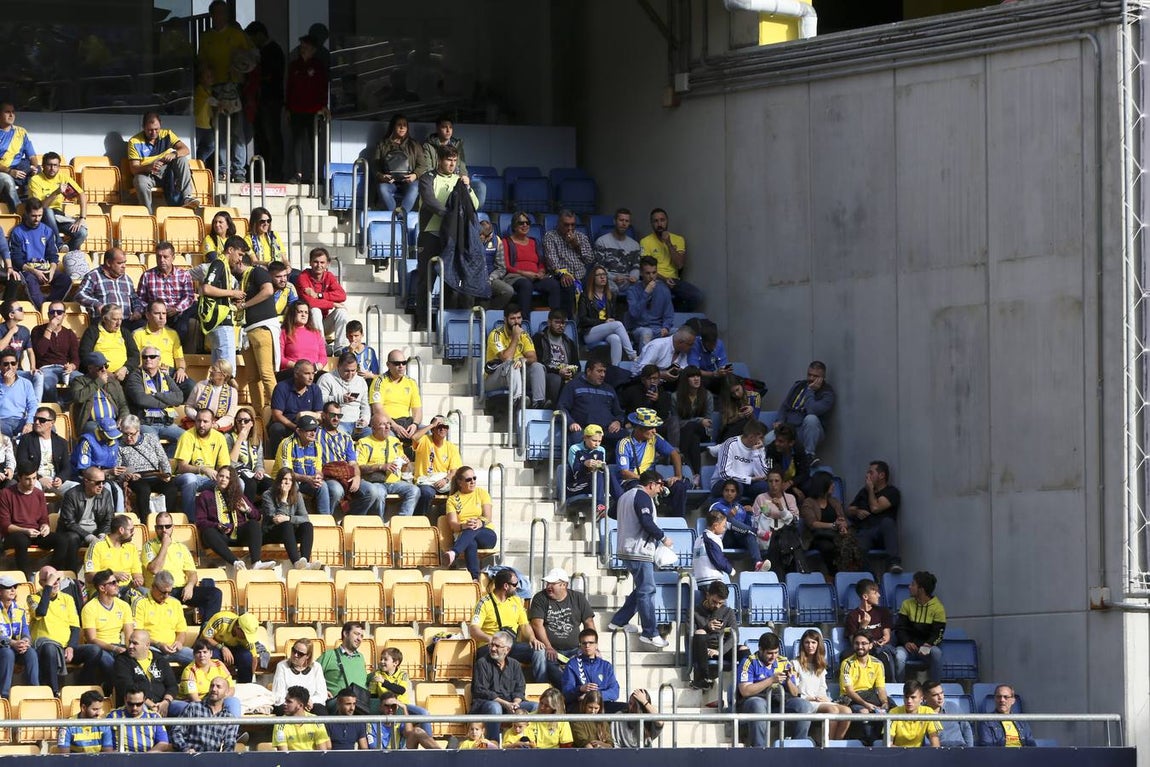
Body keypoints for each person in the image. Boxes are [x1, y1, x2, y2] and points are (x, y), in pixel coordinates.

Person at [607, 469, 672, 647]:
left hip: (626, 548)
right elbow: (646, 521)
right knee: (647, 591)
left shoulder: (625, 496)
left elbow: (612, 513)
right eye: (660, 485)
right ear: (651, 484)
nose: (660, 490)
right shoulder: (643, 497)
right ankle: (650, 632)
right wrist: (663, 537)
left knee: (642, 588)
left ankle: (618, 621)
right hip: (638, 550)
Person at [197, 0, 255, 184]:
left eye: (223, 13)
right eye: (216, 13)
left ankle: (239, 171)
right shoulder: (206, 37)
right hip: (214, 88)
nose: (219, 16)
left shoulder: (238, 35)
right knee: (220, 131)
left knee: (237, 130)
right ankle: (223, 170)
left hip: (234, 87)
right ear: (212, 15)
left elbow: (253, 57)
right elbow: (201, 62)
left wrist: (242, 67)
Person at [469, 568, 547, 682]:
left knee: (539, 650)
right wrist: (490, 639)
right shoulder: (484, 603)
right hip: (490, 646)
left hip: (511, 645)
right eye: (515, 584)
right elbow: (474, 630)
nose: (517, 587)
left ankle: (541, 688)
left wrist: (532, 638)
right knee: (499, 652)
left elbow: (524, 625)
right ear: (506, 586)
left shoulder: (516, 600)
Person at [143, 511, 222, 621]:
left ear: (173, 527)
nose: (164, 530)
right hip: (161, 591)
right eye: (160, 527)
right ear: (156, 528)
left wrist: (190, 585)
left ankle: (206, 632)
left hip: (181, 589)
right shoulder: (148, 546)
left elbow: (192, 573)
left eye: (167, 526)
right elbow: (155, 569)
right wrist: (165, 546)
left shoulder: (181, 547)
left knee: (215, 594)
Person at [228, 241, 278, 414]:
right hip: (247, 332)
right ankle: (258, 414)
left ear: (241, 261)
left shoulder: (257, 272)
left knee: (266, 374)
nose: (231, 265)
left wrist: (245, 305)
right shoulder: (240, 281)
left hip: (262, 328)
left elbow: (268, 290)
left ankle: (278, 412)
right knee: (252, 377)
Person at [1, 462, 76, 576]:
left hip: (35, 532)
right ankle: (27, 578)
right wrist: (25, 530)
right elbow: (6, 525)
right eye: (27, 479)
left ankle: (50, 574)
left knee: (62, 540)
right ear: (19, 478)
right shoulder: (6, 494)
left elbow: (43, 519)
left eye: (34, 478)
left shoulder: (39, 494)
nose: (32, 482)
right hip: (16, 534)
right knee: (22, 540)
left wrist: (45, 526)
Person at [29, 565, 92, 696]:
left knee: (95, 651)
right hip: (45, 647)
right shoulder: (32, 598)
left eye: (57, 579)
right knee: (50, 648)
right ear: (41, 583)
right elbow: (41, 611)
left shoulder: (67, 598)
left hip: (65, 647)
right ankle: (54, 692)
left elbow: (75, 626)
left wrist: (71, 647)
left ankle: (83, 689)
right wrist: (48, 587)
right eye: (50, 580)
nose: (55, 582)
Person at [196, 465, 273, 571]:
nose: (223, 479)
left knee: (253, 524)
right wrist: (216, 525)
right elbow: (200, 521)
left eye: (227, 477)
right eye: (221, 476)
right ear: (216, 477)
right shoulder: (205, 495)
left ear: (232, 480)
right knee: (208, 533)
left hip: (238, 534)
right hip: (220, 536)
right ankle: (235, 562)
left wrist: (247, 510)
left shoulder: (238, 496)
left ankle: (256, 563)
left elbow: (257, 516)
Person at [529, 568, 596, 688]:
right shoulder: (540, 598)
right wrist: (548, 647)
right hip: (551, 649)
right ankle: (570, 691)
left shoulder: (578, 598)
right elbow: (536, 624)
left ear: (564, 585)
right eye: (547, 583)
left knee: (594, 662)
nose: (548, 586)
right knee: (549, 663)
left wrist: (593, 645)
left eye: (552, 584)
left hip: (576, 648)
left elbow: (589, 622)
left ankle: (589, 695)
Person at [616, 408, 688, 516]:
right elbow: (624, 472)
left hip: (653, 481)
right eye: (650, 428)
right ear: (639, 428)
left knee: (679, 486)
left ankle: (677, 520)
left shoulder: (655, 439)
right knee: (639, 490)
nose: (654, 431)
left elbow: (675, 454)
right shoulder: (624, 444)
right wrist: (648, 480)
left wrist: (678, 476)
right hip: (634, 481)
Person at [784, 628, 853, 741]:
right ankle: (827, 743)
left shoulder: (820, 665)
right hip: (805, 701)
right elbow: (794, 691)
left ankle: (837, 742)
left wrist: (823, 697)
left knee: (847, 711)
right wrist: (810, 697)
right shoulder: (795, 664)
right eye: (807, 642)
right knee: (833, 711)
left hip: (819, 701)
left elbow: (822, 687)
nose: (810, 646)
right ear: (802, 645)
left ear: (818, 644)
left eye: (813, 642)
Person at [470, 629, 537, 740]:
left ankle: (531, 741)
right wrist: (505, 704)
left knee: (535, 707)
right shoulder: (482, 663)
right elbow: (480, 690)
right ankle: (494, 743)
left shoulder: (514, 664)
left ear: (507, 650)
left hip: (510, 704)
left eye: (497, 646)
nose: (493, 648)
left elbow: (520, 688)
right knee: (495, 708)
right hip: (487, 704)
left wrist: (515, 703)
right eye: (491, 645)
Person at [316, 401, 379, 516]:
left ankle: (350, 520)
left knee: (372, 491)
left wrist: (357, 476)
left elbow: (353, 463)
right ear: (324, 415)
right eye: (332, 415)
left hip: (346, 475)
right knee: (336, 490)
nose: (336, 418)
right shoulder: (315, 434)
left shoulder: (346, 437)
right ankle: (328, 522)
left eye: (339, 416)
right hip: (328, 475)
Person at [126, 112, 196, 213]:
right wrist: (149, 167)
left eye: (156, 129)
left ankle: (187, 197)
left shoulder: (167, 134)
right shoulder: (134, 141)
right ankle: (147, 214)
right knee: (139, 180)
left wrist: (174, 154)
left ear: (160, 125)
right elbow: (134, 168)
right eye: (150, 130)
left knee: (182, 159)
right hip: (149, 175)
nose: (154, 133)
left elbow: (185, 150)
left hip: (168, 173)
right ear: (143, 127)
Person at [556, 357, 626, 454]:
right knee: (577, 437)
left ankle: (617, 468)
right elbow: (562, 407)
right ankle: (581, 468)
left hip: (606, 430)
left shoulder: (609, 389)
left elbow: (619, 412)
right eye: (599, 371)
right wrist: (571, 423)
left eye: (604, 372)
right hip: (583, 430)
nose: (603, 375)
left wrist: (618, 421)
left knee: (625, 439)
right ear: (589, 371)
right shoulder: (573, 385)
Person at [356, 412, 420, 517]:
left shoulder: (395, 441)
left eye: (388, 424)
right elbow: (359, 468)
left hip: (395, 482)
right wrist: (381, 466)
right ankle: (378, 525)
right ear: (373, 428)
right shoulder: (364, 442)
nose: (387, 427)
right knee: (379, 494)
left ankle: (401, 523)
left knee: (414, 490)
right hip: (375, 482)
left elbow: (403, 470)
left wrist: (405, 464)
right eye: (382, 424)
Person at [9, 199, 71, 306]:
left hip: (45, 269)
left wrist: (52, 270)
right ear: (26, 214)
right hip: (28, 270)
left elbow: (52, 254)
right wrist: (34, 271)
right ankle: (42, 308)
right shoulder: (18, 232)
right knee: (30, 282)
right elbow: (16, 259)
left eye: (40, 215)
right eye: (34, 216)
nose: (37, 219)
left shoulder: (47, 230)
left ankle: (50, 306)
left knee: (65, 280)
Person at [285, 34, 329, 186]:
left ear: (313, 50)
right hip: (296, 109)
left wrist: (323, 106)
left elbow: (323, 88)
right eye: (301, 47)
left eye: (306, 48)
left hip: (314, 111)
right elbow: (289, 88)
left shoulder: (318, 66)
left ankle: (314, 174)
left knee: (313, 142)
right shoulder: (294, 66)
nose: (302, 50)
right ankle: (298, 173)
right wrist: (287, 108)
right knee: (296, 142)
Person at [639, 208, 703, 311]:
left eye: (662, 220)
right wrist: (664, 279)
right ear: (651, 224)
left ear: (667, 221)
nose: (659, 224)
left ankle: (676, 317)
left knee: (697, 296)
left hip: (674, 281)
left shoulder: (678, 239)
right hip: (655, 279)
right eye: (656, 221)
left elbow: (679, 265)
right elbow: (646, 268)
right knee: (663, 294)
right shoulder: (645, 241)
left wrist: (668, 243)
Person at [136, 245, 197, 351]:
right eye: (158, 257)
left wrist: (177, 308)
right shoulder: (147, 275)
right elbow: (140, 299)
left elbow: (189, 296)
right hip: (155, 315)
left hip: (177, 314)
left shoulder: (183, 275)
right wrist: (153, 310)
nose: (161, 260)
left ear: (173, 257)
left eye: (165, 257)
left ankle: (177, 354)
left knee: (184, 327)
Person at [245, 21, 286, 181]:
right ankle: (262, 171)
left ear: (260, 35)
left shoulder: (273, 50)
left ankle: (275, 172)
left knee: (272, 136)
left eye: (253, 38)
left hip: (271, 100)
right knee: (261, 136)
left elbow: (271, 75)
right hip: (260, 100)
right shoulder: (261, 50)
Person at [416, 115, 486, 207]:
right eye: (444, 127)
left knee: (480, 186)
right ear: (437, 129)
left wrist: (464, 178)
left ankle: (471, 212)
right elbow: (427, 168)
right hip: (439, 178)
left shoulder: (457, 145)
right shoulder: (428, 145)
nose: (448, 130)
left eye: (450, 128)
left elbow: (462, 167)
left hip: (456, 179)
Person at [485, 303, 547, 408]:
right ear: (505, 320)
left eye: (519, 318)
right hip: (495, 377)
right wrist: (515, 337)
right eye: (512, 318)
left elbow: (533, 357)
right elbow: (506, 358)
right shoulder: (495, 334)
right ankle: (517, 399)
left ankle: (539, 402)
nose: (516, 321)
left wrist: (523, 360)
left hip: (517, 374)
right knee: (511, 363)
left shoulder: (524, 335)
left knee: (537, 366)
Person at [198, 236, 246, 370]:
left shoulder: (224, 266)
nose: (240, 259)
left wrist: (232, 299)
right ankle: (230, 390)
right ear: (230, 250)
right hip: (221, 321)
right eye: (240, 254)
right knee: (227, 369)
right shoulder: (218, 263)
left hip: (220, 320)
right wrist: (232, 293)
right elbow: (206, 288)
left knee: (218, 369)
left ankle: (219, 390)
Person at [125, 344, 186, 448]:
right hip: (145, 424)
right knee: (154, 443)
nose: (148, 359)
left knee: (186, 438)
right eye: (145, 357)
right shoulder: (135, 376)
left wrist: (156, 395)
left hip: (166, 423)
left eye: (152, 356)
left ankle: (169, 461)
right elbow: (141, 399)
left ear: (159, 359)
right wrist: (167, 401)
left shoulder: (165, 376)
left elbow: (179, 397)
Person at [78, 568, 134, 683]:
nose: (117, 585)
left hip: (119, 646)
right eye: (113, 583)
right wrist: (114, 648)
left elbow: (129, 635)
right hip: (101, 648)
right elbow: (92, 639)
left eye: (117, 582)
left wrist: (130, 650)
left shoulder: (124, 606)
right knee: (112, 665)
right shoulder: (89, 608)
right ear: (102, 588)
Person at [261, 468, 323, 569]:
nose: (287, 482)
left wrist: (289, 518)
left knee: (307, 526)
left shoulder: (297, 495)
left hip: (290, 532)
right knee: (286, 525)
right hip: (271, 533)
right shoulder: (267, 495)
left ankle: (305, 562)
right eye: (284, 479)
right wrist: (284, 499)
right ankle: (296, 562)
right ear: (279, 480)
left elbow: (305, 518)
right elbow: (276, 519)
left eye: (290, 480)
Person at [131, 299, 192, 401]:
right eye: (157, 313)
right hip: (148, 372)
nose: (161, 317)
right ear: (148, 315)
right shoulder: (138, 334)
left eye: (164, 313)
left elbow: (179, 359)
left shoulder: (172, 334)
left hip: (170, 373)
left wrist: (181, 369)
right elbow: (136, 361)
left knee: (191, 387)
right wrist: (154, 369)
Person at [848, 460, 902, 573]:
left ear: (882, 475)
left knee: (888, 522)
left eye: (871, 473)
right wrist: (857, 511)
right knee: (858, 547)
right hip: (865, 532)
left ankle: (894, 563)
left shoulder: (891, 492)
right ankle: (870, 579)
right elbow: (849, 509)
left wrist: (871, 490)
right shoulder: (863, 492)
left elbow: (875, 508)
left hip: (881, 533)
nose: (867, 476)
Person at [577, 264, 637, 366]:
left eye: (604, 274)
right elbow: (583, 319)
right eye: (599, 275)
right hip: (589, 333)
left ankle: (615, 368)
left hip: (606, 331)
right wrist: (603, 322)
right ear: (593, 279)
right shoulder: (585, 296)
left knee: (616, 339)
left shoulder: (610, 296)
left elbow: (612, 316)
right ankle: (632, 355)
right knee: (617, 324)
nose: (602, 277)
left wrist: (608, 323)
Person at [771, 361, 835, 458]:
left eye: (815, 376)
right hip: (788, 427)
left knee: (811, 418)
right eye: (809, 375)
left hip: (806, 430)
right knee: (766, 441)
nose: (811, 378)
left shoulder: (827, 394)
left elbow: (811, 410)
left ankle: (809, 456)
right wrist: (779, 421)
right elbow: (785, 406)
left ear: (823, 377)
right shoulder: (799, 385)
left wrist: (810, 391)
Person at [500, 211, 561, 313]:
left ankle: (554, 319)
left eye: (527, 223)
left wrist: (541, 272)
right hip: (515, 277)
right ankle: (525, 321)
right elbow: (507, 266)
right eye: (521, 223)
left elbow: (541, 262)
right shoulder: (506, 242)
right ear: (514, 226)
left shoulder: (534, 241)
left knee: (553, 284)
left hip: (535, 277)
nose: (525, 225)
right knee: (526, 284)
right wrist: (525, 274)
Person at [443, 467, 497, 579]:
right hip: (465, 534)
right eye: (468, 479)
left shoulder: (482, 493)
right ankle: (475, 579)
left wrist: (480, 522)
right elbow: (453, 524)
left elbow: (488, 517)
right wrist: (464, 525)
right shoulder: (452, 499)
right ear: (459, 482)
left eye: (474, 478)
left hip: (486, 534)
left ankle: (454, 552)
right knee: (470, 541)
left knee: (473, 528)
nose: (472, 481)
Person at [57, 467, 117, 568]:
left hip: (97, 533)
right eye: (98, 483)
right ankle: (72, 574)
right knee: (72, 538)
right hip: (75, 534)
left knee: (118, 535)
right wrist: (89, 537)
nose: (101, 486)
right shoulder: (71, 495)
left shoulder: (105, 494)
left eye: (103, 482)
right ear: (86, 481)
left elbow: (109, 519)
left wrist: (102, 535)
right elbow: (69, 522)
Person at [174, 408, 232, 513]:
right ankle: (190, 520)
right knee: (190, 479)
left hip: (212, 478)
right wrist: (203, 469)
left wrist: (220, 476)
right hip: (189, 476)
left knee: (238, 483)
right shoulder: (187, 436)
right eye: (198, 421)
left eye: (205, 421)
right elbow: (182, 467)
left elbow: (224, 466)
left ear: (213, 423)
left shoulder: (219, 437)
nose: (201, 425)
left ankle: (230, 519)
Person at [736, 631, 788, 748]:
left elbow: (796, 692)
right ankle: (760, 749)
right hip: (752, 702)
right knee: (758, 704)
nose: (773, 657)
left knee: (802, 705)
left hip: (777, 702)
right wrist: (770, 680)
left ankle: (798, 746)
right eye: (770, 653)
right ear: (760, 649)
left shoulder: (783, 661)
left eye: (776, 652)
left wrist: (789, 680)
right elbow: (745, 691)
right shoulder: (749, 662)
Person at [894, 570, 946, 682]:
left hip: (926, 648)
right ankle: (899, 688)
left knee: (937, 653)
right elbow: (900, 628)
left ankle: (934, 687)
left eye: (913, 584)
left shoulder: (938, 608)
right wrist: (906, 642)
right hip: (907, 647)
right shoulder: (906, 604)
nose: (909, 587)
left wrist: (928, 645)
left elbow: (938, 634)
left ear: (921, 589)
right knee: (899, 656)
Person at [839, 632, 890, 745]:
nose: (860, 646)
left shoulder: (878, 664)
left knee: (892, 708)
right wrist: (866, 704)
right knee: (864, 711)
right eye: (857, 643)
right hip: (850, 699)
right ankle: (871, 743)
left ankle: (889, 741)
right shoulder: (847, 664)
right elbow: (849, 691)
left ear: (870, 645)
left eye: (864, 643)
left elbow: (881, 688)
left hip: (870, 696)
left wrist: (884, 702)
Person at [274, 414, 331, 515]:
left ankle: (325, 520)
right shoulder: (287, 444)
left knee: (322, 485)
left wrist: (317, 477)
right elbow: (287, 474)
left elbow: (318, 470)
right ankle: (291, 518)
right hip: (283, 481)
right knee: (292, 484)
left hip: (305, 482)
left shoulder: (317, 445)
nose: (313, 433)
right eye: (309, 430)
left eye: (315, 430)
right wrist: (308, 479)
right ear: (299, 431)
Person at [133, 570, 193, 666]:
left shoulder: (175, 603)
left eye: (169, 592)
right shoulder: (140, 603)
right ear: (153, 587)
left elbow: (181, 631)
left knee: (200, 658)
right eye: (163, 592)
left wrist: (178, 642)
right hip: (151, 648)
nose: (166, 596)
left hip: (172, 649)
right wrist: (159, 644)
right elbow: (137, 634)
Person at [541, 210, 594, 318]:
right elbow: (552, 262)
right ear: (559, 224)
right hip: (562, 275)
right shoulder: (550, 236)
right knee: (567, 285)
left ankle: (589, 323)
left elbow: (590, 259)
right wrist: (562, 274)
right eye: (566, 225)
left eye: (573, 225)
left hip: (581, 275)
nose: (570, 228)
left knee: (596, 283)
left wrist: (576, 246)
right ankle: (569, 322)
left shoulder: (581, 237)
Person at [113, 630, 179, 716]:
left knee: (186, 708)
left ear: (147, 645)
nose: (130, 646)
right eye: (129, 642)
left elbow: (172, 685)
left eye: (135, 643)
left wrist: (166, 702)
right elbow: (126, 687)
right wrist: (152, 705)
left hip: (163, 703)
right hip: (138, 705)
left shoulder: (160, 660)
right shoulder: (122, 661)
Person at [170, 675, 241, 753]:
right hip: (189, 757)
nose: (214, 689)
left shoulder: (228, 718)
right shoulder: (194, 707)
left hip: (211, 760)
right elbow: (176, 731)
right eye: (212, 686)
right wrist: (185, 749)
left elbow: (229, 744)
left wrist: (223, 760)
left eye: (218, 687)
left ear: (226, 692)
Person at [844, 578, 897, 682]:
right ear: (865, 596)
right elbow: (853, 642)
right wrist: (863, 627)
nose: (879, 595)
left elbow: (887, 635)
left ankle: (891, 686)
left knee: (884, 654)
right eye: (875, 593)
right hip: (862, 648)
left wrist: (883, 640)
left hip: (880, 648)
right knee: (846, 656)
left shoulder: (882, 612)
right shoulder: (853, 616)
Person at [76, 248, 145, 325]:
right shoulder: (93, 276)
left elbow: (135, 299)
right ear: (108, 262)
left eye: (124, 263)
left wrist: (137, 311)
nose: (124, 266)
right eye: (119, 263)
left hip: (125, 322)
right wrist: (97, 304)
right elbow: (80, 295)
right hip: (103, 322)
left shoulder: (127, 279)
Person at [800, 471, 851, 574]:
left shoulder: (834, 501)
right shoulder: (808, 502)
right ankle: (834, 575)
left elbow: (842, 519)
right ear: (822, 485)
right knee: (827, 546)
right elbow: (812, 523)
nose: (833, 486)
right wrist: (832, 525)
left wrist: (843, 527)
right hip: (816, 537)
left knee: (848, 544)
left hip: (834, 535)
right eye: (831, 483)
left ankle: (849, 573)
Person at [298, 246, 348, 351]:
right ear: (310, 262)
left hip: (323, 324)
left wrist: (320, 295)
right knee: (315, 310)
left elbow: (342, 295)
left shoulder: (329, 276)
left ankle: (340, 347)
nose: (319, 265)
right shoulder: (303, 277)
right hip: (308, 324)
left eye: (322, 262)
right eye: (316, 262)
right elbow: (310, 303)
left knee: (342, 311)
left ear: (327, 264)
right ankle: (322, 346)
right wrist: (332, 304)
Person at [690, 581, 737, 690]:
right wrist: (707, 628)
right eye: (714, 602)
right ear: (707, 595)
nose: (717, 606)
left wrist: (720, 650)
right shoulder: (695, 611)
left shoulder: (728, 612)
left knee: (744, 649)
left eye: (721, 603)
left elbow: (735, 634)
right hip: (703, 648)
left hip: (722, 649)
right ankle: (703, 679)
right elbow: (690, 634)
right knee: (700, 632)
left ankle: (744, 685)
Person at [410, 415, 461, 516]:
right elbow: (414, 437)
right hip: (425, 481)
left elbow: (454, 471)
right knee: (426, 493)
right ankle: (419, 520)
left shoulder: (451, 447)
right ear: (433, 429)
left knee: (460, 491)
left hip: (443, 482)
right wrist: (432, 424)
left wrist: (445, 480)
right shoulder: (425, 440)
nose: (442, 429)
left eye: (445, 426)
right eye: (439, 426)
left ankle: (454, 522)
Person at [268, 360, 324, 453]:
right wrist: (295, 427)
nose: (311, 377)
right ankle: (276, 460)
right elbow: (276, 415)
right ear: (296, 374)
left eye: (312, 374)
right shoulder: (282, 387)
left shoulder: (315, 389)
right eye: (307, 374)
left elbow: (319, 414)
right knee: (276, 428)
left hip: (307, 425)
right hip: (287, 424)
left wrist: (307, 428)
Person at [560, 628, 622, 712]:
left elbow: (614, 692)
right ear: (580, 645)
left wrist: (595, 696)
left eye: (591, 643)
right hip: (580, 705)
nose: (587, 646)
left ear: (596, 645)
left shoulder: (606, 666)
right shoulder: (572, 664)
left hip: (602, 704)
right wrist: (580, 689)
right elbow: (566, 693)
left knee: (626, 708)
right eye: (584, 643)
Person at [17, 406, 75, 495]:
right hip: (35, 480)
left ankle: (62, 509)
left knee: (75, 489)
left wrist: (60, 478)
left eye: (42, 420)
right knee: (32, 486)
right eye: (35, 419)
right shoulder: (26, 439)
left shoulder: (61, 442)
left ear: (52, 423)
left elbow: (66, 467)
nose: (36, 422)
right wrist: (39, 478)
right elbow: (22, 463)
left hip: (55, 481)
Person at [71, 351, 130, 438]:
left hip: (112, 421)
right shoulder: (80, 381)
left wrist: (123, 417)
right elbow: (78, 397)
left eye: (106, 366)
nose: (104, 370)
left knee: (131, 428)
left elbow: (123, 405)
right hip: (92, 423)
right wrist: (99, 382)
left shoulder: (112, 381)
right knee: (99, 430)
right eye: (100, 368)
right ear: (90, 368)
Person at [82, 514, 143, 597]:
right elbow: (89, 576)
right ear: (121, 530)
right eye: (131, 530)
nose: (133, 532)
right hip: (103, 590)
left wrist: (138, 580)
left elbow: (137, 574)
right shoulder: (97, 546)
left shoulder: (131, 547)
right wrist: (112, 575)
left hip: (127, 589)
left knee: (144, 593)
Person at [368, 349, 423, 441]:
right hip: (387, 423)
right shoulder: (379, 381)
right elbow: (377, 409)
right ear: (388, 365)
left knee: (428, 435)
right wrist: (394, 426)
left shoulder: (411, 382)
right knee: (391, 439)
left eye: (403, 363)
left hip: (407, 422)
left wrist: (415, 424)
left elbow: (417, 409)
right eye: (397, 363)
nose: (401, 366)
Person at [751, 469, 800, 571]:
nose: (773, 484)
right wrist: (768, 515)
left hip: (786, 538)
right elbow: (754, 522)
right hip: (767, 538)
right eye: (770, 481)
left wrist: (781, 509)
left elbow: (795, 520)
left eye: (777, 481)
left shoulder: (790, 498)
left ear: (782, 482)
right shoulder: (761, 498)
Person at [31, 301, 80, 401]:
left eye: (59, 312)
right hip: (46, 368)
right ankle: (56, 407)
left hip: (64, 368)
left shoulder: (69, 333)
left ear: (64, 315)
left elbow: (75, 358)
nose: (55, 315)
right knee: (47, 385)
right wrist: (49, 329)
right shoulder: (37, 330)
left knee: (84, 382)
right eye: (52, 312)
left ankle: (63, 403)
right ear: (48, 314)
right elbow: (40, 352)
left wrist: (72, 366)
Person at [79, 304, 139, 384]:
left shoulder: (124, 332)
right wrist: (103, 371)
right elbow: (85, 355)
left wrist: (125, 369)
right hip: (100, 375)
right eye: (115, 319)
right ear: (105, 319)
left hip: (124, 375)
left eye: (120, 319)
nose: (118, 323)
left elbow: (135, 355)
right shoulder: (92, 331)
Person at [672, 366, 714, 481]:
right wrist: (699, 420)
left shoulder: (707, 395)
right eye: (692, 376)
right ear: (685, 380)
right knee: (693, 438)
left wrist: (698, 422)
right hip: (683, 433)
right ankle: (696, 474)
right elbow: (676, 422)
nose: (696, 379)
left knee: (691, 428)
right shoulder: (676, 397)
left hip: (704, 432)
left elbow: (709, 422)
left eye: (698, 376)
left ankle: (682, 458)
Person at [624, 256, 675, 350]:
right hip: (640, 328)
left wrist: (666, 327)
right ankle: (644, 364)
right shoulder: (632, 290)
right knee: (647, 333)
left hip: (659, 328)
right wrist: (646, 294)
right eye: (648, 273)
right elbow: (634, 314)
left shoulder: (664, 289)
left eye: (654, 273)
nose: (651, 276)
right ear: (641, 273)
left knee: (680, 333)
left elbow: (669, 314)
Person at [711, 420, 770, 500]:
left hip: (747, 484)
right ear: (751, 437)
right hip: (722, 483)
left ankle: (756, 511)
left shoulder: (759, 448)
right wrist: (749, 479)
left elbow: (762, 475)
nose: (762, 441)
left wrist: (755, 452)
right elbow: (724, 474)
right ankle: (735, 511)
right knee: (736, 486)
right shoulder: (730, 444)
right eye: (761, 437)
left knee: (764, 486)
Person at [0, 573, 38, 696]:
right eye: (8, 587)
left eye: (15, 587)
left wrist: (25, 641)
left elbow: (25, 631)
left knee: (31, 652)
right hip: (4, 648)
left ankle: (35, 691)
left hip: (14, 646)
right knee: (7, 653)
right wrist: (12, 643)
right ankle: (4, 694)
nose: (12, 590)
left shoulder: (19, 609)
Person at [374, 114, 420, 212]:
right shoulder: (382, 144)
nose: (402, 127)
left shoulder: (414, 145)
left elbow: (423, 165)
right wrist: (382, 176)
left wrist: (415, 175)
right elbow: (375, 166)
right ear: (393, 127)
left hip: (408, 181)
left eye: (405, 125)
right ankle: (393, 216)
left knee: (415, 186)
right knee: (382, 188)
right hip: (389, 182)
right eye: (399, 124)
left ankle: (402, 214)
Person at [533, 308, 580, 406]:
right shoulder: (539, 338)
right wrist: (558, 371)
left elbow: (577, 365)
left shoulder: (569, 342)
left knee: (581, 377)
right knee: (556, 379)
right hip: (548, 374)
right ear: (549, 322)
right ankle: (555, 407)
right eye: (557, 322)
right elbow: (538, 363)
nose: (561, 326)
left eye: (563, 323)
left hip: (566, 374)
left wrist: (571, 371)